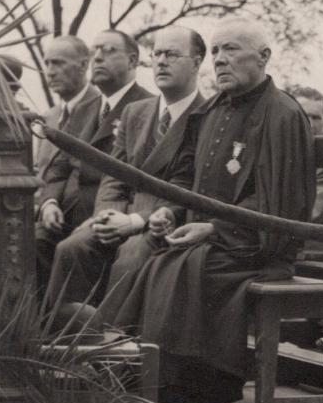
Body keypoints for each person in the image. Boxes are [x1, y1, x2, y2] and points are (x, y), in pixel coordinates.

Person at [95, 18, 315, 403]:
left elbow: (282, 204)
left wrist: (212, 227)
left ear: (264, 56)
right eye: (214, 51)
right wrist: (171, 215)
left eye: (231, 49)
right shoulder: (212, 110)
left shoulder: (282, 115)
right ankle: (141, 379)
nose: (219, 60)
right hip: (214, 236)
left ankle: (195, 392)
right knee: (160, 261)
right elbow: (187, 180)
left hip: (259, 245)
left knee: (186, 270)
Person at [43, 26, 206, 313]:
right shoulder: (137, 112)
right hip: (120, 215)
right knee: (71, 248)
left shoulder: (207, 117)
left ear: (196, 62)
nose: (161, 61)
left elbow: (190, 188)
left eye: (172, 54)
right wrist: (105, 215)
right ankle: (62, 342)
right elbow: (113, 175)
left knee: (132, 254)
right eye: (157, 54)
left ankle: (115, 345)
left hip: (166, 221)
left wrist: (134, 221)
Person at [36, 29, 153, 291]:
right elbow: (59, 167)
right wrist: (49, 202)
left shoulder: (148, 107)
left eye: (109, 51)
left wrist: (109, 217)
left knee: (72, 250)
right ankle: (34, 328)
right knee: (28, 242)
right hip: (67, 217)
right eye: (94, 52)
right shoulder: (86, 109)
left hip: (113, 218)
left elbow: (143, 179)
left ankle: (67, 330)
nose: (97, 58)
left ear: (133, 61)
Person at [34, 35, 99, 177]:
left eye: (58, 63)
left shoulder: (103, 111)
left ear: (83, 65)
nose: (50, 72)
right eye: (47, 64)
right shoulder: (48, 117)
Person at [291, 86, 323, 226]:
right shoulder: (275, 149)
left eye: (316, 117)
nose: (310, 123)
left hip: (305, 236)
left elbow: (312, 214)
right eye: (303, 115)